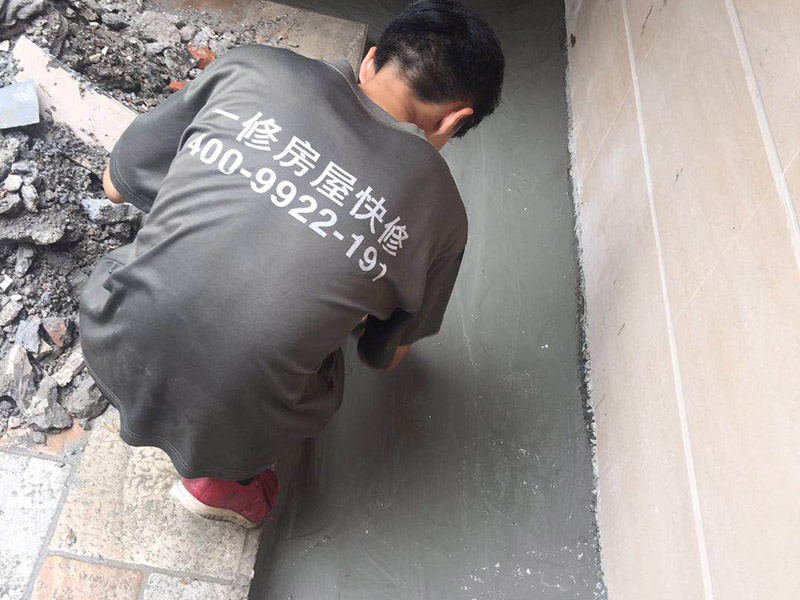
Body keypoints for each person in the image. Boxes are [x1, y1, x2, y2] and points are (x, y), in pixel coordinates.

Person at [80, 0, 504, 528]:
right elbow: (382, 356)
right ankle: (222, 486)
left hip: (109, 333)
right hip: (235, 423)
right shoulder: (442, 210)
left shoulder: (254, 66)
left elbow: (115, 184)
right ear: (455, 120)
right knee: (330, 366)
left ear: (371, 60)